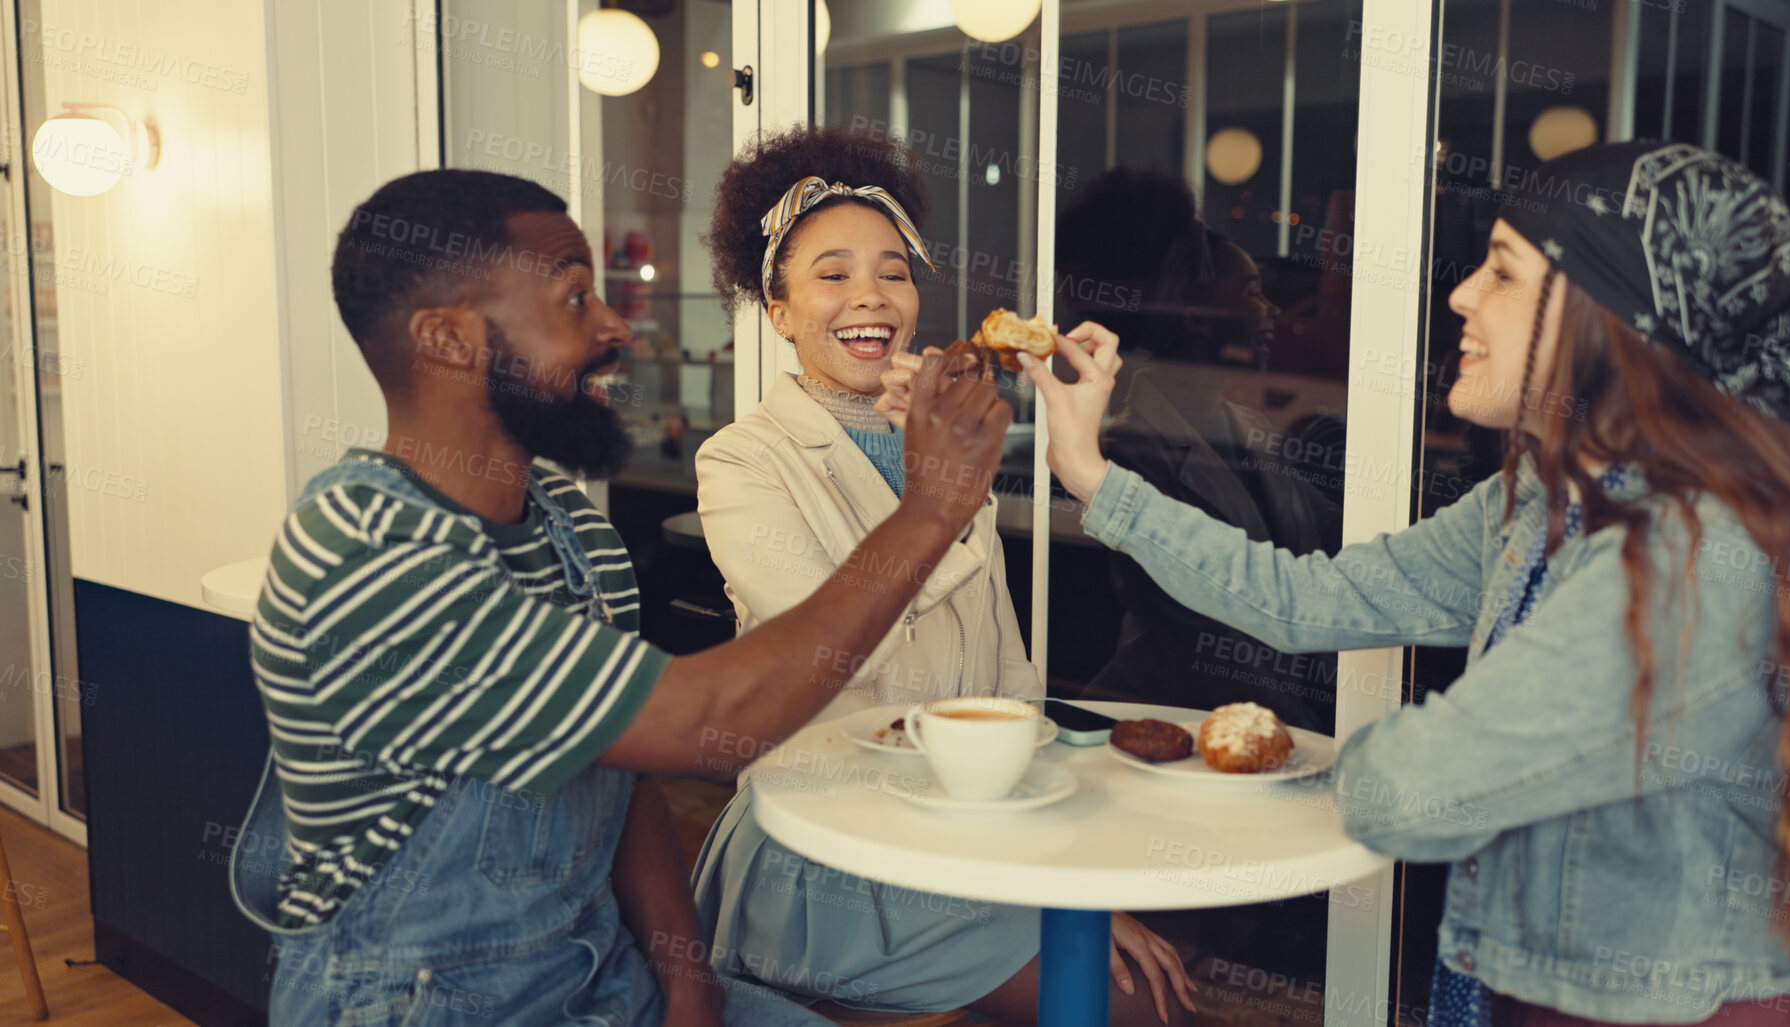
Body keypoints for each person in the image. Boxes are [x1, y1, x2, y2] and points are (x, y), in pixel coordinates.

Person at [1020, 142, 1790, 1024]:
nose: (1458, 293)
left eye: (1499, 271)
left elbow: (1414, 789)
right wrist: (1092, 473)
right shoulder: (1542, 493)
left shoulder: (1691, 550)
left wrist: (1302, 762)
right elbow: (1307, 599)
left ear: (1609, 316)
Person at [232, 168, 1012, 1026]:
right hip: (420, 1002)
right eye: (573, 302)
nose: (615, 326)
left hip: (603, 979)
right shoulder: (368, 552)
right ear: (449, 340)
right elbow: (700, 721)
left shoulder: (567, 526)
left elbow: (627, 771)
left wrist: (687, 984)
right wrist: (932, 507)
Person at [684, 123, 1196, 1027]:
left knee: (1149, 1004)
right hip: (828, 852)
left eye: (892, 271)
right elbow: (834, 639)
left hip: (970, 826)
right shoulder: (742, 460)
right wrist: (939, 488)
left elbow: (1006, 674)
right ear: (777, 309)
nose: (869, 296)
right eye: (830, 274)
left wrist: (1071, 884)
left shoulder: (949, 437)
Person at [1051, 169, 1342, 733]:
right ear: (1196, 314)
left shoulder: (1251, 428)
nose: (1273, 312)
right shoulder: (1129, 452)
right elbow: (1197, 632)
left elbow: (1327, 536)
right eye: (1254, 292)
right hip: (1175, 723)